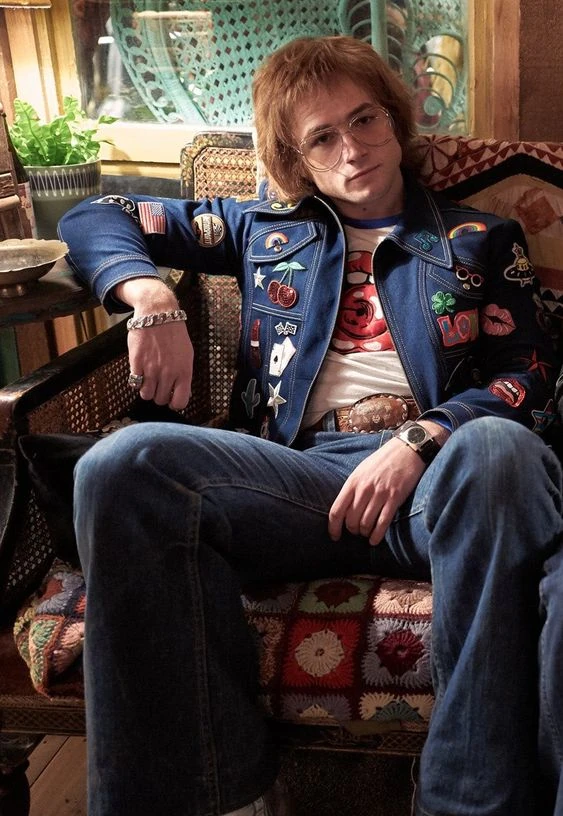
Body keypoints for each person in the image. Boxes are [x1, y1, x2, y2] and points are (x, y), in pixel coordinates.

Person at [58, 35, 563, 816]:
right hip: (300, 480)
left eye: (363, 120)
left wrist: (420, 439)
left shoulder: (477, 240)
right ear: (293, 157)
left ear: (393, 119)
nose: (352, 149)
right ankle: (201, 793)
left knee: (500, 449)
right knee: (120, 465)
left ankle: (468, 803)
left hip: (445, 487)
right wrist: (147, 296)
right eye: (321, 137)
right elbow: (98, 215)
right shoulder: (262, 228)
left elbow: (528, 374)